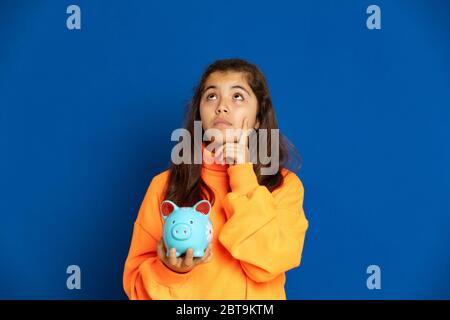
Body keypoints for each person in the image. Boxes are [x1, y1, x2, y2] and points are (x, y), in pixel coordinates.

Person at [122, 58, 309, 299]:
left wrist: (242, 171)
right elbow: (136, 288)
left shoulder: (284, 185)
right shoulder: (165, 186)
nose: (221, 106)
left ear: (259, 118)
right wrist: (171, 271)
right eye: (211, 96)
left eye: (238, 96)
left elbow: (268, 263)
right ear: (199, 114)